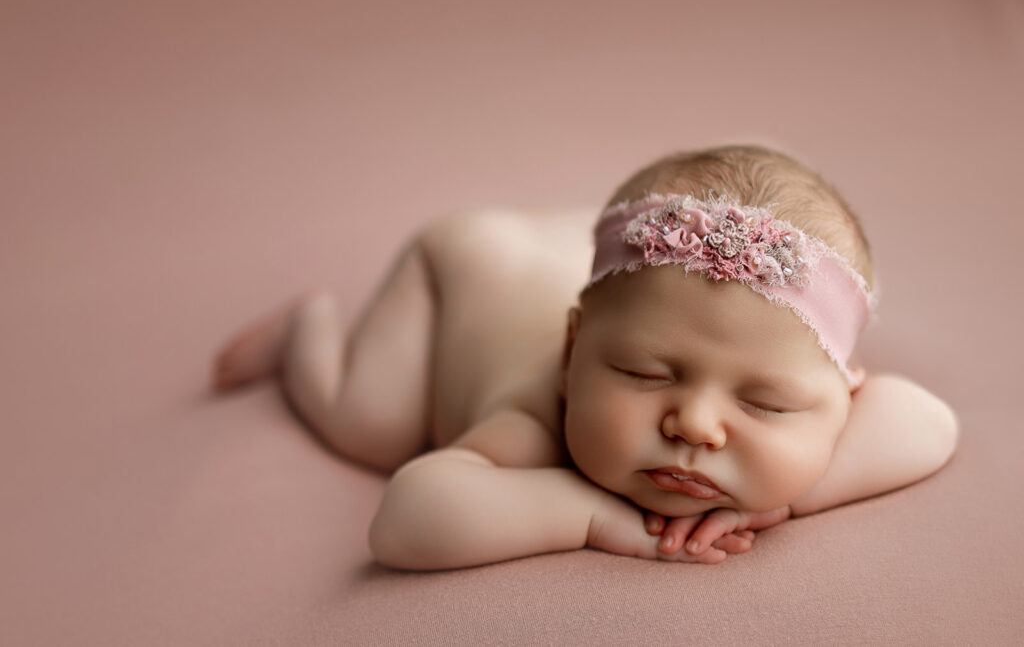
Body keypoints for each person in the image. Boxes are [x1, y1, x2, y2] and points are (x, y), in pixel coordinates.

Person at [211, 144, 959, 570]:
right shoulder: (538, 421)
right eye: (644, 373)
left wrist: (785, 496)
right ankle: (306, 331)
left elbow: (929, 421)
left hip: (574, 261)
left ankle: (590, 251)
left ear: (843, 394)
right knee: (369, 426)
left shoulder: (798, 380)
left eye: (764, 403)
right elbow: (404, 522)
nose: (695, 424)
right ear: (573, 356)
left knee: (663, 300)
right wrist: (589, 513)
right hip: (462, 266)